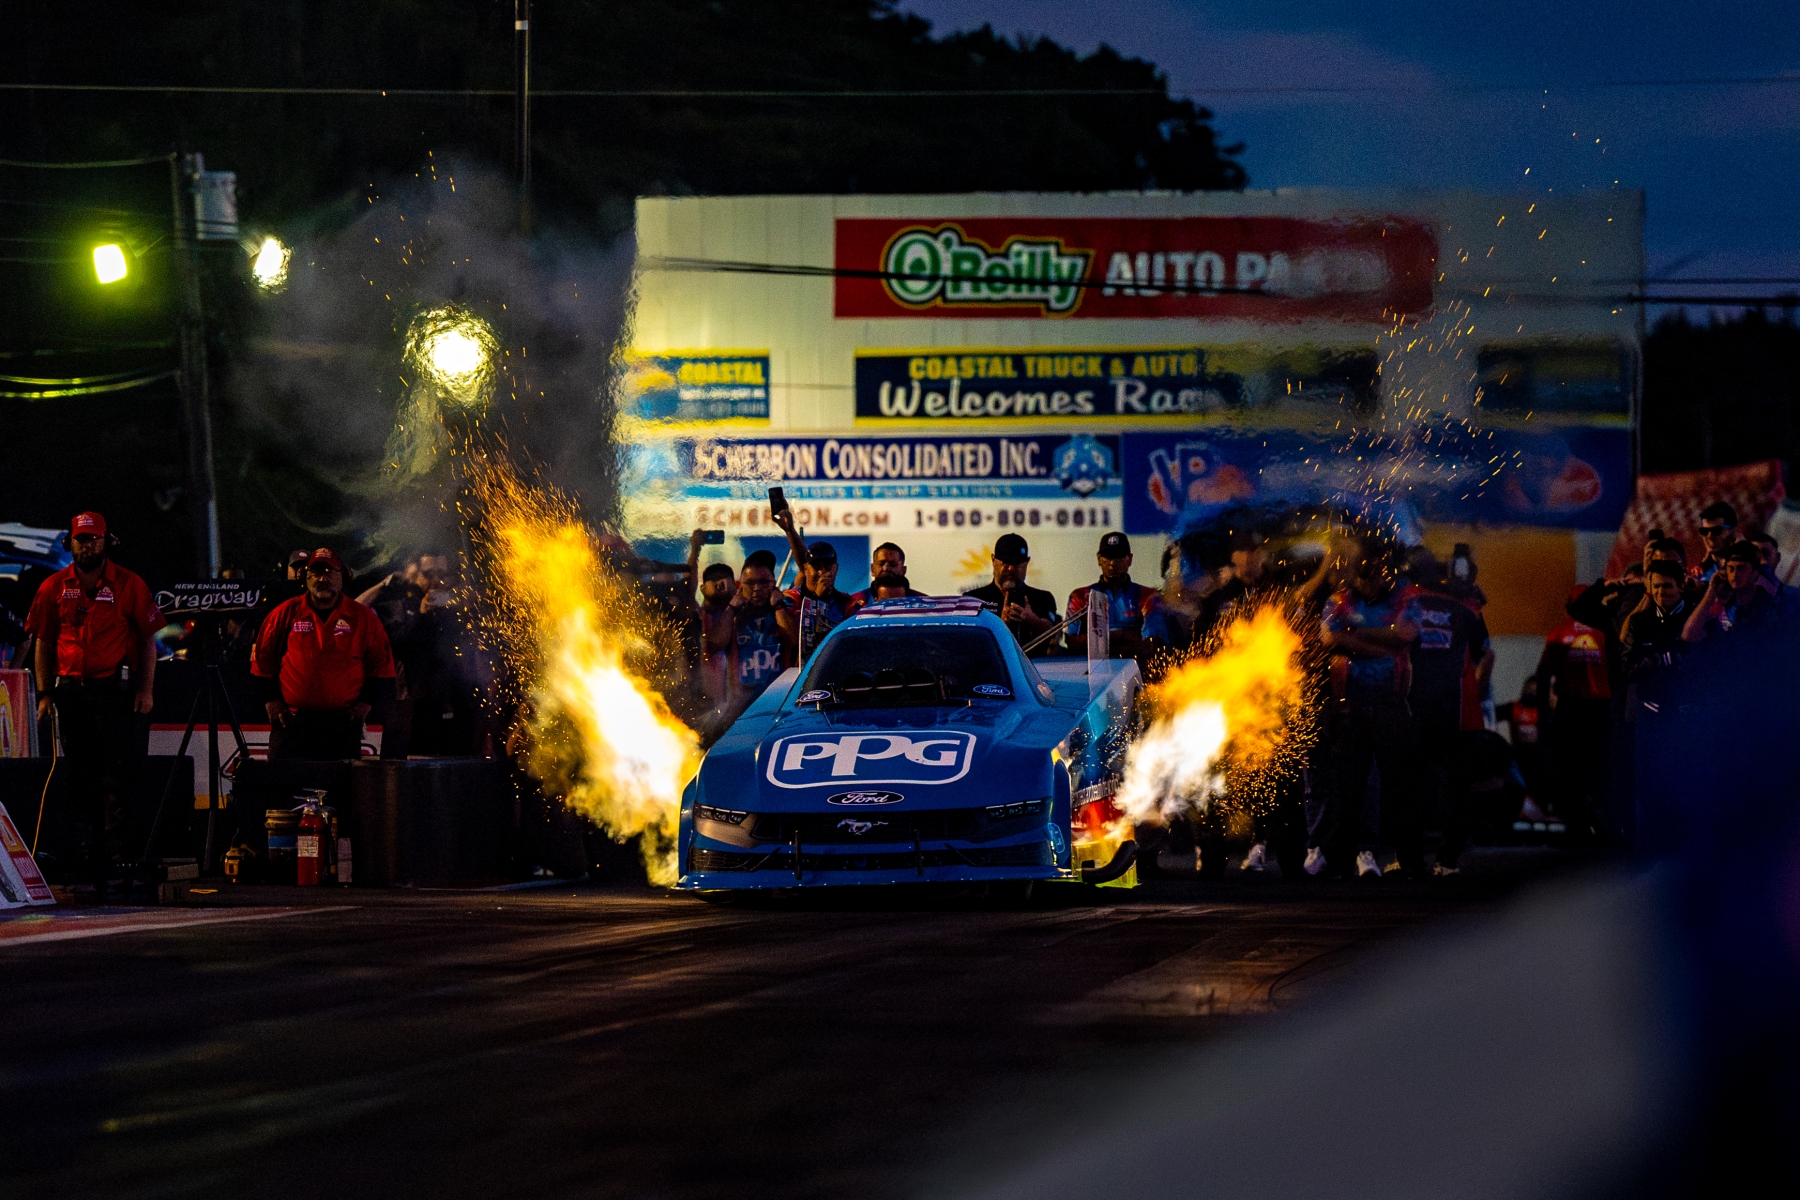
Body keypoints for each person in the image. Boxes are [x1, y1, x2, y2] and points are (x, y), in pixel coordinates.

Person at [25, 512, 165, 885]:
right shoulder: (53, 586)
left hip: (113, 691)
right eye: (81, 539)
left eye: (93, 539)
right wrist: (44, 693)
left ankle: (118, 854)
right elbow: (43, 642)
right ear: (70, 542)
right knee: (79, 773)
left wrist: (146, 689)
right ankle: (87, 852)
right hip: (71, 691)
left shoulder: (129, 584)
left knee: (117, 773)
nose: (87, 545)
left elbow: (148, 639)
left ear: (107, 542)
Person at [1312, 535, 1424, 879]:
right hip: (1350, 704)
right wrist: (1382, 640)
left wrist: (1355, 633)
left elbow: (1405, 634)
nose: (1367, 581)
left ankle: (1409, 861)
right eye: (1362, 574)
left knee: (1401, 786)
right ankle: (1341, 861)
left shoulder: (1406, 595)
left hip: (1391, 702)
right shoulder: (1340, 598)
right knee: (1346, 787)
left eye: (1373, 573)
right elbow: (1328, 637)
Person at [252, 548, 396, 759]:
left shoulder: (363, 618)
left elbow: (381, 666)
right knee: (285, 780)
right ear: (304, 577)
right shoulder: (284, 613)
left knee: (342, 781)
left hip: (342, 726)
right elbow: (262, 661)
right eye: (315, 572)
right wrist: (271, 700)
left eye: (329, 572)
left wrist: (364, 705)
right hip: (292, 724)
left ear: (343, 576)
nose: (322, 579)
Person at [1404, 554, 1492, 876]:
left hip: (1413, 705)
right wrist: (1476, 691)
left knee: (1410, 781)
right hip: (1459, 707)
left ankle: (1410, 859)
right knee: (1453, 785)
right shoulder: (1464, 603)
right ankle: (1447, 860)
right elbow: (1486, 652)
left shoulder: (1404, 599)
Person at [1537, 589, 1613, 843]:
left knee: (1570, 769)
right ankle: (1602, 825)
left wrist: (1544, 712)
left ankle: (1576, 827)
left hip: (1570, 709)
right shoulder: (1605, 632)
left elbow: (1544, 674)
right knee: (1599, 767)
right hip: (1600, 709)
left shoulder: (1560, 633)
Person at [772, 508, 855, 662]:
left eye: (827, 568)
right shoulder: (789, 600)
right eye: (816, 567)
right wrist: (817, 599)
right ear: (805, 569)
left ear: (836, 569)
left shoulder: (848, 603)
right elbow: (795, 643)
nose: (822, 573)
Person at [1064, 531, 1161, 658]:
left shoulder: (1148, 596)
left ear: (1129, 559)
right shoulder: (1080, 596)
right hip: (1093, 669)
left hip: (1136, 667)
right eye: (1108, 556)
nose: (1112, 563)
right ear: (1099, 559)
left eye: (1118, 556)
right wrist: (1124, 635)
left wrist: (1097, 641)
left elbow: (1150, 645)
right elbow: (1072, 643)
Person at [965, 533, 1061, 657]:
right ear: (993, 560)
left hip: (1035, 665)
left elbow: (1051, 634)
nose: (1010, 569)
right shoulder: (973, 599)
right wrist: (1001, 624)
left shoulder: (1042, 598)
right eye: (1005, 562)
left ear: (1027, 562)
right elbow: (968, 641)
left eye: (1016, 563)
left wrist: (1031, 620)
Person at [729, 549, 797, 705]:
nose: (756, 588)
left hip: (780, 700)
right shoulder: (731, 617)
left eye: (764, 582)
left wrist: (778, 607)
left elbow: (794, 642)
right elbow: (716, 643)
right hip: (743, 705)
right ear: (740, 586)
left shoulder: (786, 611)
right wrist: (731, 609)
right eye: (750, 583)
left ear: (773, 584)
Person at [1683, 539, 1779, 644]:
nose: (1735, 575)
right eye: (1731, 568)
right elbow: (1689, 635)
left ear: (1755, 571)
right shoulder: (1724, 601)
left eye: (1741, 568)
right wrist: (1711, 590)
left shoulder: (1767, 604)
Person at [845, 542, 926, 613]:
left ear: (903, 570)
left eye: (893, 564)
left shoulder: (924, 602)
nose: (886, 568)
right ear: (872, 569)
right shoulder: (853, 603)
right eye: (881, 564)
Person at [1692, 501, 1739, 584]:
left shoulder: (1743, 568)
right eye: (1704, 531)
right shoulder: (1702, 572)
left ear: (1732, 532)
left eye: (1716, 531)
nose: (1709, 536)